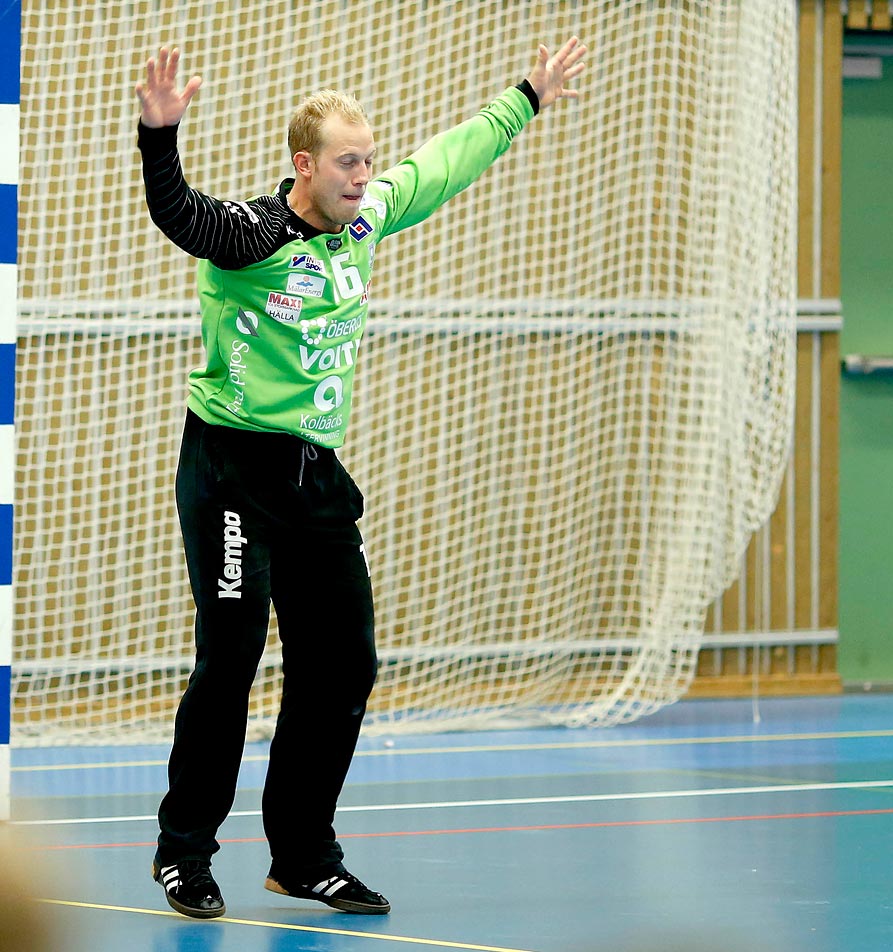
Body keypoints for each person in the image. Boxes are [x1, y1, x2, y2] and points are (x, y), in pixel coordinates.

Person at [134, 38, 587, 920]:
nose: (365, 175)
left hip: (315, 477)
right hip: (232, 470)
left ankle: (302, 855)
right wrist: (160, 137)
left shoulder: (367, 219)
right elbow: (183, 215)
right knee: (229, 662)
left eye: (369, 160)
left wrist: (525, 96)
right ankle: (184, 853)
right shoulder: (254, 236)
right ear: (305, 165)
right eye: (349, 161)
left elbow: (442, 163)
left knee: (343, 665)